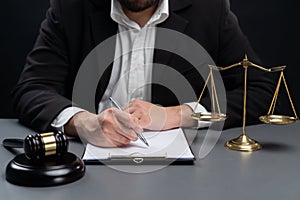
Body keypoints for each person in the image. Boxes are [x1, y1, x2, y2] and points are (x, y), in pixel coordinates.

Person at [12, 0, 274, 147]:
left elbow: (261, 90)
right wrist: (83, 124)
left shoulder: (210, 9)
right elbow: (32, 89)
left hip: (184, 170)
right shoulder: (70, 8)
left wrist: (175, 114)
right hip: (84, 161)